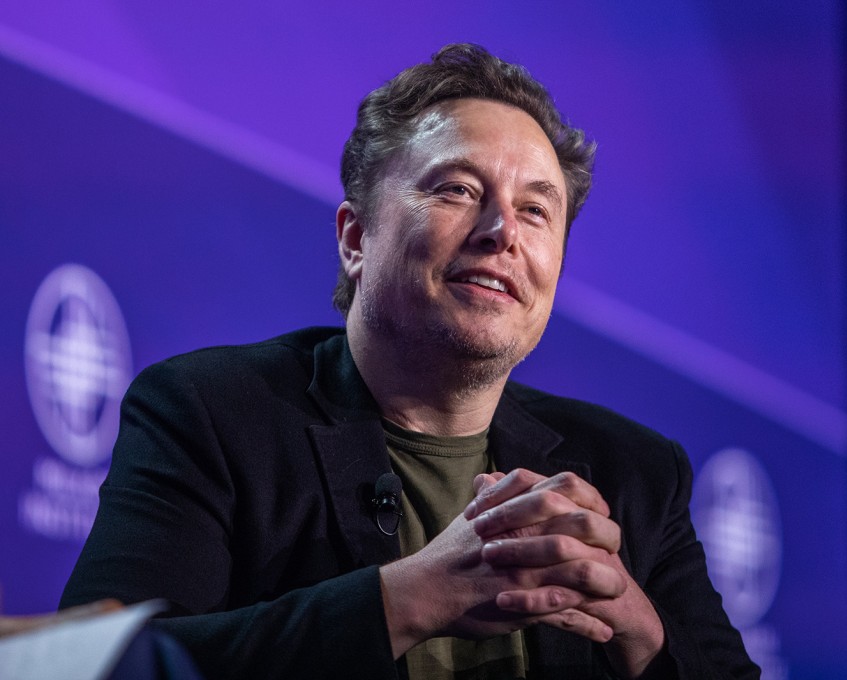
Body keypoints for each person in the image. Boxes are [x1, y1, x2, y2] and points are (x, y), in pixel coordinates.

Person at [60, 44, 759, 679]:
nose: (502, 233)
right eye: (456, 189)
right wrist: (409, 598)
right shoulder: (210, 414)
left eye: (536, 210)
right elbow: (100, 668)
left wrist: (636, 624)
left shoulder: (632, 472)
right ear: (356, 237)